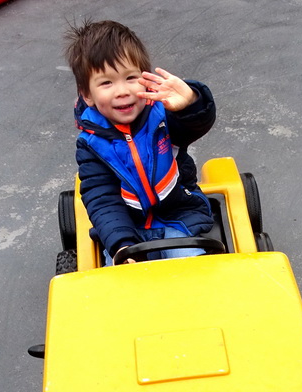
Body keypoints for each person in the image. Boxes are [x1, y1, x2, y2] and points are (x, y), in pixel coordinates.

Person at [64, 20, 216, 265]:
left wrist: (190, 103)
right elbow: (103, 199)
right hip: (128, 228)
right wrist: (121, 243)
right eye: (107, 82)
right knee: (124, 285)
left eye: (131, 78)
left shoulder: (163, 116)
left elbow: (194, 125)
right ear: (87, 95)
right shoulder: (90, 144)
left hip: (178, 217)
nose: (122, 91)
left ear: (145, 79)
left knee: (189, 272)